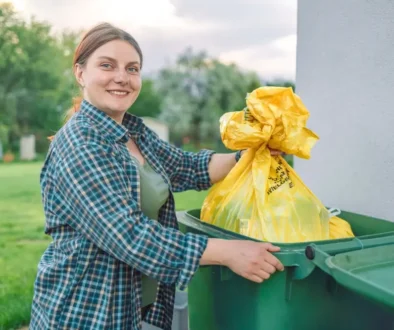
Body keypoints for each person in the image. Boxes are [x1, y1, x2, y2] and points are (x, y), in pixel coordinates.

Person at [29, 22, 284, 330]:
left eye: (132, 68)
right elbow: (130, 236)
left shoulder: (134, 132)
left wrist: (248, 156)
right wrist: (228, 252)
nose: (122, 77)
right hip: (85, 311)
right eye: (107, 65)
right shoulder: (80, 144)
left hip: (131, 304)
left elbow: (187, 168)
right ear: (80, 73)